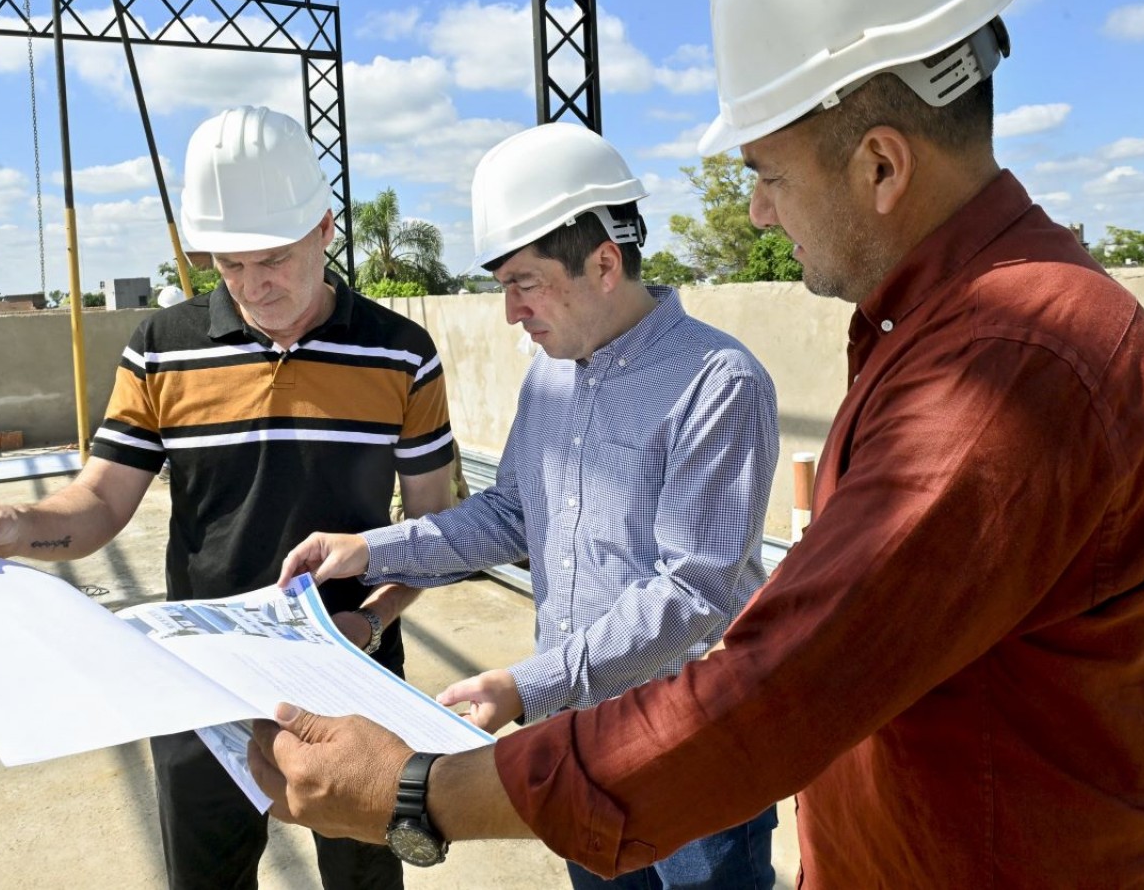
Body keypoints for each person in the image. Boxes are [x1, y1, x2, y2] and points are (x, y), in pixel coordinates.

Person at [246, 0, 1144, 885]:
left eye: (766, 174)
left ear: (881, 164)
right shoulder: (942, 336)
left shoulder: (1008, 367)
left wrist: (424, 792)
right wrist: (373, 550)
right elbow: (513, 516)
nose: (755, 208)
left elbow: (774, 686)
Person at [0, 105, 458, 890]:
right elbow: (101, 504)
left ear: (325, 228)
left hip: (353, 681)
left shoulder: (400, 353)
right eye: (229, 264)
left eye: (272, 259)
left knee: (364, 881)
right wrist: (19, 525)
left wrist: (371, 620)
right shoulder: (160, 349)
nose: (252, 286)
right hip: (199, 689)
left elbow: (438, 532)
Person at [279, 122, 781, 889]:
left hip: (691, 746)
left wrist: (525, 685)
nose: (511, 312)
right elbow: (511, 515)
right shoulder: (551, 376)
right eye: (503, 286)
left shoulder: (717, 382)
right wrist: (371, 548)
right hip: (578, 743)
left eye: (525, 282)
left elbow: (691, 592)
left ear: (606, 262)